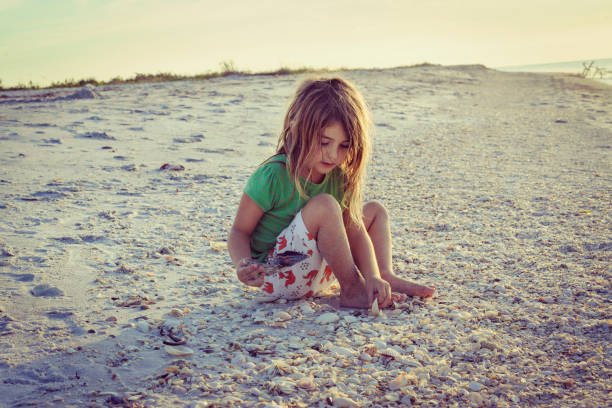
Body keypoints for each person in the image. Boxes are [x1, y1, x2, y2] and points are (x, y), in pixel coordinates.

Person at [228, 77, 435, 308]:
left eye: (344, 146)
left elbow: (355, 229)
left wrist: (372, 273)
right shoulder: (273, 175)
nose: (333, 155)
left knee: (373, 211)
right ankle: (352, 289)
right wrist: (244, 265)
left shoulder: (338, 177)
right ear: (298, 130)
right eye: (324, 142)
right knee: (326, 205)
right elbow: (239, 231)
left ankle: (381, 277)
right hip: (276, 274)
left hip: (318, 273)